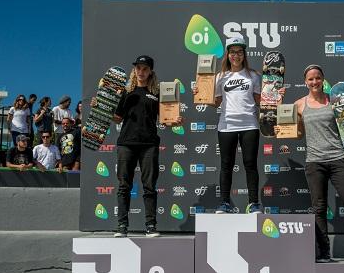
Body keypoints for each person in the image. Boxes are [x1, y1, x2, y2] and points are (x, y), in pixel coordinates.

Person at [275, 64, 344, 263]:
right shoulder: (299, 105)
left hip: (338, 159)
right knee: (319, 208)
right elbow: (298, 134)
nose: (314, 82)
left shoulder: (335, 101)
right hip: (314, 162)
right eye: (310, 79)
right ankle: (324, 252)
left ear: (323, 79)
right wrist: (283, 127)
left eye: (318, 78)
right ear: (305, 82)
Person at [92, 55, 182, 238]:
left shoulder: (157, 93)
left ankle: (150, 226)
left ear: (150, 72)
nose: (141, 72)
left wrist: (176, 121)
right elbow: (117, 117)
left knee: (149, 186)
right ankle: (122, 226)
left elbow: (166, 120)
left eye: (144, 69)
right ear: (134, 71)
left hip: (149, 144)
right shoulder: (125, 92)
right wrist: (100, 106)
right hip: (126, 143)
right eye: (138, 68)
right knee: (124, 186)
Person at [192, 37, 284, 214]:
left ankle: (254, 204)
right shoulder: (220, 77)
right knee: (226, 164)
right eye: (232, 52)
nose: (236, 55)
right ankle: (225, 203)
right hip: (226, 126)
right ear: (227, 54)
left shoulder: (254, 75)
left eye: (239, 52)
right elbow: (216, 102)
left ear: (244, 54)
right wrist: (200, 94)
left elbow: (260, 101)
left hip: (250, 124)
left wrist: (275, 96)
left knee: (250, 164)